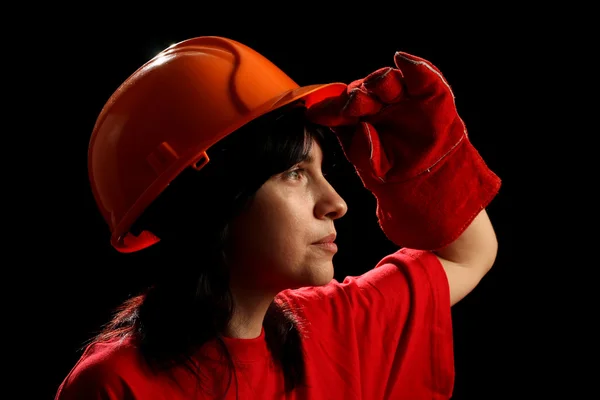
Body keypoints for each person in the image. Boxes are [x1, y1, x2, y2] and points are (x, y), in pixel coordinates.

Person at [55, 36, 501, 399]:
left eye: (321, 171)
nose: (337, 204)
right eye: (294, 173)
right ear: (215, 201)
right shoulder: (114, 385)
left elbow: (469, 255)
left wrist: (429, 165)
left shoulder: (336, 324)